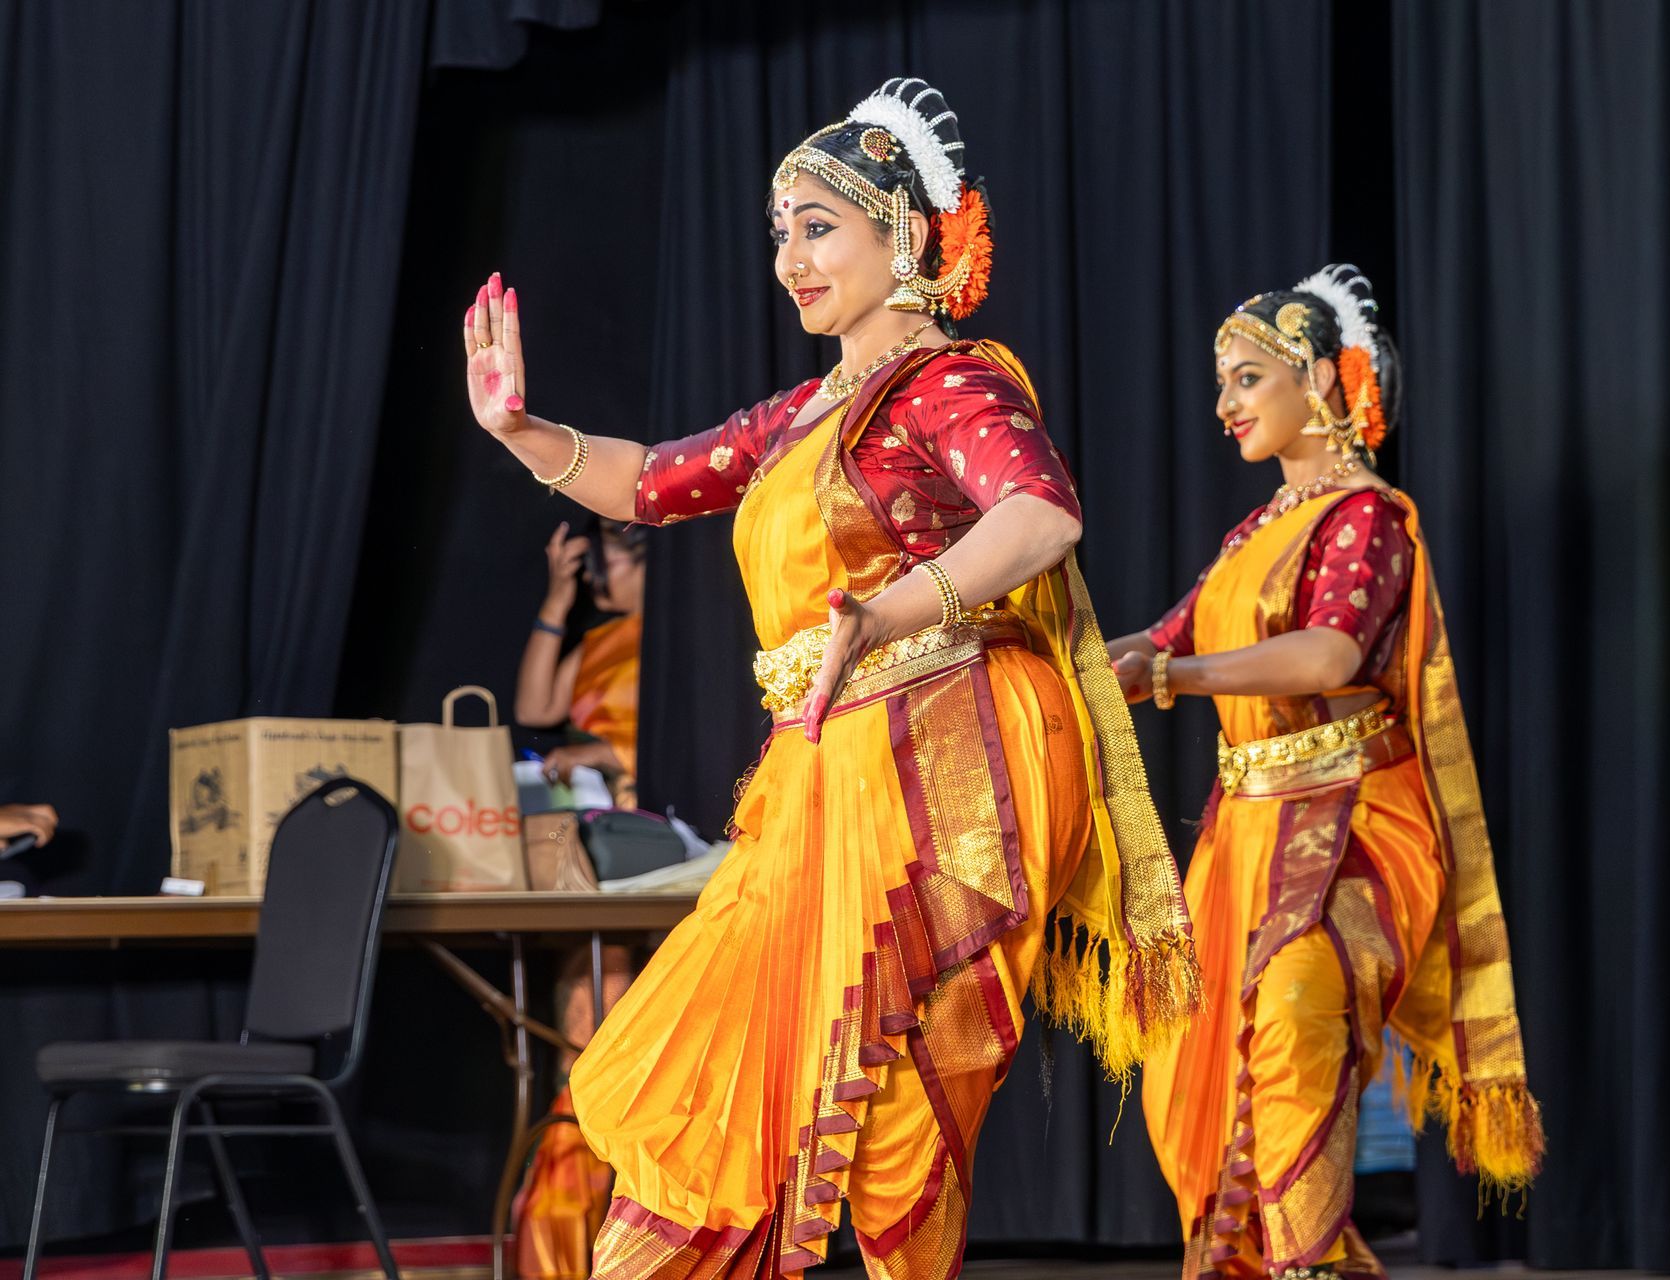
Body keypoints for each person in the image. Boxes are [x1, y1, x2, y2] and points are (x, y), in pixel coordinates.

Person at [460, 77, 1196, 1277]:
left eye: (818, 227)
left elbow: (1041, 515)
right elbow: (646, 479)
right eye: (779, 233)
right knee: (728, 1070)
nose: (789, 259)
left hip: (947, 756)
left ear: (903, 234)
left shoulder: (948, 381)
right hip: (827, 771)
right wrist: (520, 431)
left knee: (900, 1103)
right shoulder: (803, 412)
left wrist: (887, 609)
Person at [1110, 269, 1543, 1278]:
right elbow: (1160, 639)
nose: (1225, 405)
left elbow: (1329, 652)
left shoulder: (1370, 518)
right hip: (1244, 838)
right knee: (1197, 1065)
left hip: (1354, 823)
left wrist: (1171, 677)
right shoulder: (1254, 534)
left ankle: (1303, 1265)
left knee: (1296, 1007)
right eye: (1222, 383)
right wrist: (1036, 655)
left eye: (1247, 378)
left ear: (1318, 380)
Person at [514, 518, 647, 804]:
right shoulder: (602, 641)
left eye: (599, 560)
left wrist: (601, 754)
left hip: (650, 803)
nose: (587, 575)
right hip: (596, 801)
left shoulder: (684, 637)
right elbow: (534, 711)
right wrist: (555, 604)